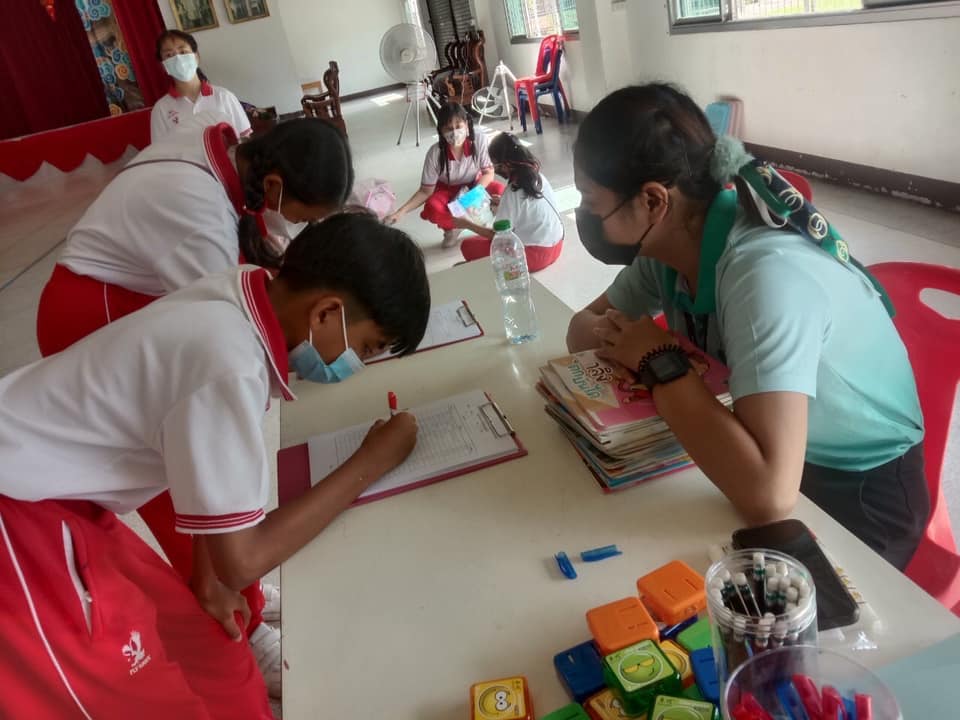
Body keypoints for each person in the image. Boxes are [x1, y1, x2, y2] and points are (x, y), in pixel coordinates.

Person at [0, 214, 430, 719]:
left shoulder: (248, 293)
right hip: (19, 516)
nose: (359, 364)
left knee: (220, 669)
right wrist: (369, 462)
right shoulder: (229, 361)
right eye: (367, 348)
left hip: (71, 503)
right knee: (137, 700)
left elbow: (206, 470)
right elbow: (243, 561)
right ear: (325, 314)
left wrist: (208, 580)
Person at [35, 115, 352, 696]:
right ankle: (245, 622)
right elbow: (226, 359)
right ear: (275, 187)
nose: (299, 229)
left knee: (197, 460)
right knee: (183, 471)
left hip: (122, 293)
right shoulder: (198, 221)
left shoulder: (234, 154)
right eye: (303, 216)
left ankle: (243, 588)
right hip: (91, 307)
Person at [566, 84, 927, 570]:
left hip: (860, 488)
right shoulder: (666, 250)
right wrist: (629, 344)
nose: (585, 216)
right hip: (769, 446)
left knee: (743, 610)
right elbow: (581, 329)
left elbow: (768, 497)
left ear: (653, 201)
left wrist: (657, 360)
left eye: (590, 201)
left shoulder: (763, 276)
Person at [385, 102, 505, 248]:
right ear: (441, 130)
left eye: (458, 126)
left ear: (467, 125)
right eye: (448, 129)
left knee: (499, 191)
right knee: (433, 208)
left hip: (475, 185)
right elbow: (425, 191)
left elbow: (488, 173)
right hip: (448, 191)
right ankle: (455, 228)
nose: (454, 132)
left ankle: (479, 220)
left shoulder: (479, 140)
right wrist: (400, 212)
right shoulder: (435, 154)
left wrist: (470, 197)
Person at [452, 132, 563, 272]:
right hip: (557, 247)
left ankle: (491, 267)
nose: (495, 168)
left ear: (506, 164)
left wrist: (467, 224)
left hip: (533, 256)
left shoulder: (512, 191)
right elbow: (526, 206)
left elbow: (498, 237)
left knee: (468, 246)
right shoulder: (537, 176)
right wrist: (503, 203)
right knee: (479, 241)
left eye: (495, 164)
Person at [150, 29, 251, 141]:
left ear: (196, 56)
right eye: (169, 55)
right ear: (164, 66)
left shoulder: (224, 96)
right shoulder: (161, 109)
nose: (178, 59)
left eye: (183, 52)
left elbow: (244, 138)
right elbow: (161, 149)